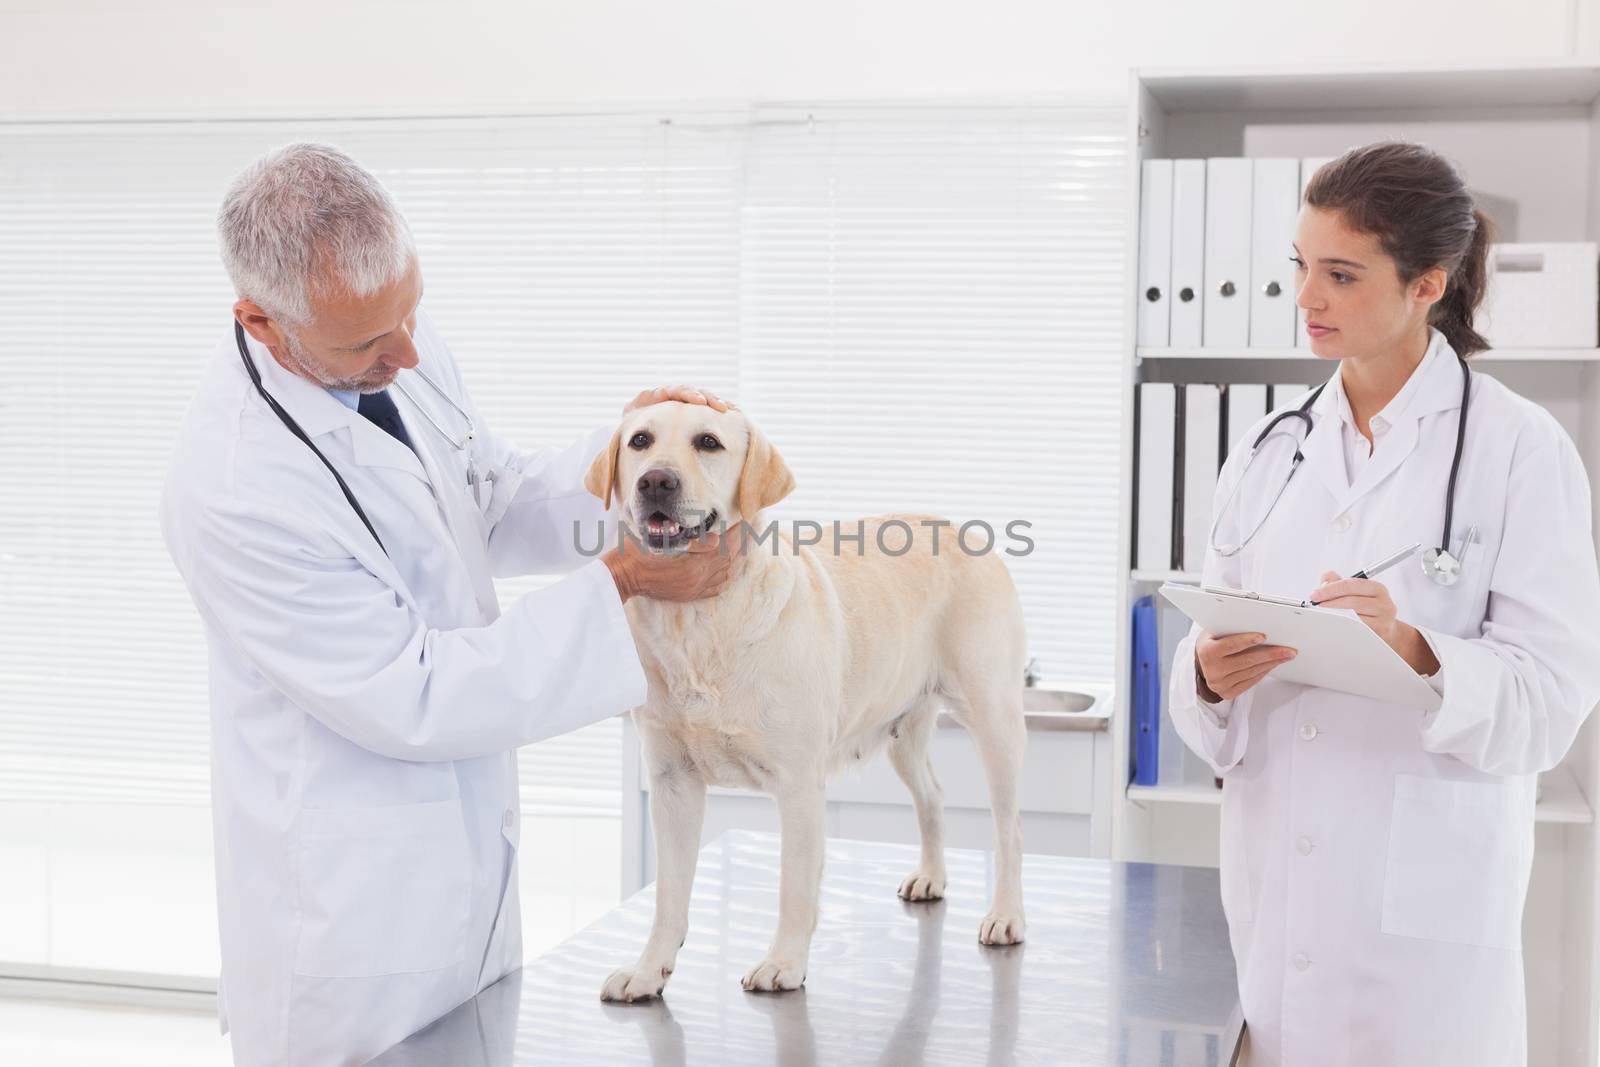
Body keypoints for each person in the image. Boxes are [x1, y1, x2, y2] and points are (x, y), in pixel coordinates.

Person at [160, 143, 736, 1067]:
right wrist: (624, 583)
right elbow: (414, 692)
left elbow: (490, 496)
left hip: (465, 887)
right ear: (260, 323)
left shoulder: (392, 350)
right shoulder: (233, 490)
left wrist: (639, 456)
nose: (410, 351)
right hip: (350, 933)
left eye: (412, 311)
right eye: (368, 341)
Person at [1169, 141, 1600, 1066]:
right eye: (1299, 266)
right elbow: (1211, 655)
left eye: (1340, 273)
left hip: (1424, 950)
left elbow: (1553, 701)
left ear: (1426, 284)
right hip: (1276, 918)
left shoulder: (1520, 449)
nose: (1306, 297)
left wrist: (1413, 647)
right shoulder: (1267, 451)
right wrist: (1206, 677)